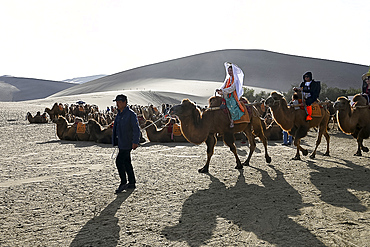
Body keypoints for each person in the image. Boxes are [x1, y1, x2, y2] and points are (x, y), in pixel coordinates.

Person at [112, 94, 140, 193]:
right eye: (116, 102)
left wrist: (135, 141)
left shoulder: (131, 114)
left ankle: (123, 182)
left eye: (119, 102)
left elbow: (136, 129)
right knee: (127, 162)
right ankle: (131, 182)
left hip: (127, 142)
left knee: (119, 161)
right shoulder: (119, 114)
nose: (117, 104)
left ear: (124, 102)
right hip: (121, 142)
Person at [216, 62, 245, 128]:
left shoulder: (236, 80)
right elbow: (224, 86)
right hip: (226, 94)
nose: (229, 72)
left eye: (231, 70)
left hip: (232, 95)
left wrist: (223, 91)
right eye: (228, 70)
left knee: (231, 105)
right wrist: (220, 90)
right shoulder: (228, 79)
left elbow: (232, 88)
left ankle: (232, 121)